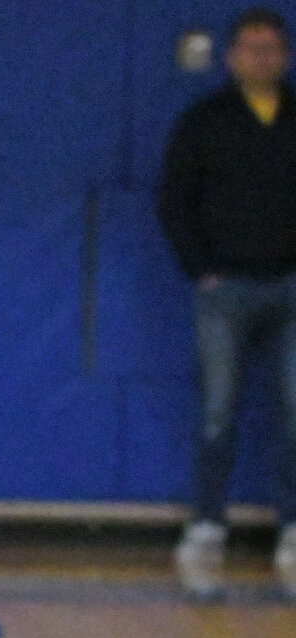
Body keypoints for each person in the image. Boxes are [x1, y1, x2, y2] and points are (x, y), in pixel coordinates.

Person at [158, 6, 296, 599]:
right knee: (218, 411)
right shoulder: (204, 120)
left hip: (291, 287)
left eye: (272, 48)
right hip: (227, 290)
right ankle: (208, 521)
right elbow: (175, 199)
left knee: (295, 413)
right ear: (232, 56)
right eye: (251, 48)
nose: (262, 58)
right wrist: (201, 269)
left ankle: (292, 526)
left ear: (285, 56)